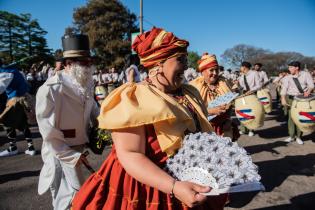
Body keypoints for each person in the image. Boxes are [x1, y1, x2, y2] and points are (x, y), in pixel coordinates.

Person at [72, 27, 228, 210]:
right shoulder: (134, 98)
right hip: (148, 188)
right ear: (158, 64)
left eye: (185, 59)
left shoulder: (188, 92)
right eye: (180, 59)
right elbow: (130, 155)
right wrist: (174, 186)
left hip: (189, 183)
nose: (187, 66)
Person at [36, 34, 99, 210]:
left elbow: (93, 107)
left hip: (80, 148)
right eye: (83, 61)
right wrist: (71, 157)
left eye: (88, 61)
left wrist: (104, 124)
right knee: (67, 200)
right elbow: (48, 132)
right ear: (68, 64)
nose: (88, 65)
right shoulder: (50, 89)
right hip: (60, 152)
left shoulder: (86, 81)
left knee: (82, 197)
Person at [190, 53, 239, 141]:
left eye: (217, 70)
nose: (215, 73)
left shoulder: (224, 83)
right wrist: (209, 111)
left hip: (224, 128)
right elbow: (190, 111)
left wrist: (228, 120)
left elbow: (230, 103)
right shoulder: (193, 86)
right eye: (211, 70)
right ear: (203, 71)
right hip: (203, 129)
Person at [0, 60, 36, 157]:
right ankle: (31, 148)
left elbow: (1, 88)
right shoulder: (14, 70)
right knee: (23, 123)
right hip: (24, 98)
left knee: (6, 122)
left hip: (15, 100)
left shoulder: (5, 72)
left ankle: (13, 148)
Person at [280, 61, 314, 145]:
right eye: (289, 67)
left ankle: (299, 136)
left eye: (291, 67)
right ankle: (291, 136)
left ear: (297, 68)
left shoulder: (305, 74)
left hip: (302, 99)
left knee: (300, 117)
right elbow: (284, 89)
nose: (289, 69)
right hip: (291, 99)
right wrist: (283, 98)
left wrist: (308, 91)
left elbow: (311, 85)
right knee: (291, 118)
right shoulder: (288, 77)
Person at [237, 61, 262, 137]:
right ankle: (243, 129)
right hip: (243, 94)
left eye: (241, 66)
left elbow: (259, 85)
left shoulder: (254, 73)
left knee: (251, 112)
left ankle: (251, 129)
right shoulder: (241, 76)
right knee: (243, 111)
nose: (240, 68)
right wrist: (237, 84)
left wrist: (250, 91)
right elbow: (241, 87)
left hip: (252, 94)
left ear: (244, 67)